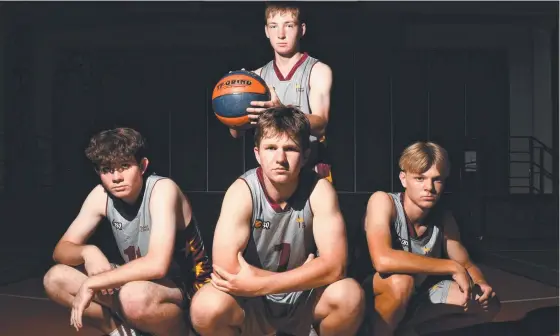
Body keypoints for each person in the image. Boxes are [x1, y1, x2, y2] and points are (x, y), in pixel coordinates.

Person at [190, 106, 364, 336]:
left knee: (349, 295)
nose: (280, 158)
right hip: (253, 301)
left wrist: (262, 283)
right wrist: (307, 274)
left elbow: (336, 267)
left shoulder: (319, 189)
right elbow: (226, 268)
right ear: (257, 154)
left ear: (305, 155)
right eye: (271, 148)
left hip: (301, 298)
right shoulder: (242, 191)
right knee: (205, 307)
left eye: (290, 149)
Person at [42, 127, 212, 336]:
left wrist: (93, 282)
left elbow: (158, 265)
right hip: (141, 285)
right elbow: (60, 251)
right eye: (107, 169)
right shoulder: (101, 195)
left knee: (133, 297)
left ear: (142, 166)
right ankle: (122, 333)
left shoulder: (162, 189)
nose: (116, 177)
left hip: (187, 288)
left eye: (124, 166)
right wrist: (88, 252)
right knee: (55, 278)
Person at [362, 141, 501, 335]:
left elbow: (466, 264)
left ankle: (408, 330)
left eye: (437, 180)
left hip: (418, 296)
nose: (429, 187)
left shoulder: (444, 218)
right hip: (374, 294)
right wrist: (450, 266)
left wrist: (481, 283)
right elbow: (382, 260)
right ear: (403, 179)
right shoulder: (383, 202)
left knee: (489, 305)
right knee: (402, 283)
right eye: (420, 178)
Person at [229, 2, 334, 183]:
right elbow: (236, 133)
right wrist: (234, 102)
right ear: (266, 31)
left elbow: (321, 124)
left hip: (310, 169)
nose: (281, 34)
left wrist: (281, 111)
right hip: (271, 170)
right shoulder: (256, 77)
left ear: (301, 29)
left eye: (289, 25)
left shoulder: (318, 70)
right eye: (274, 26)